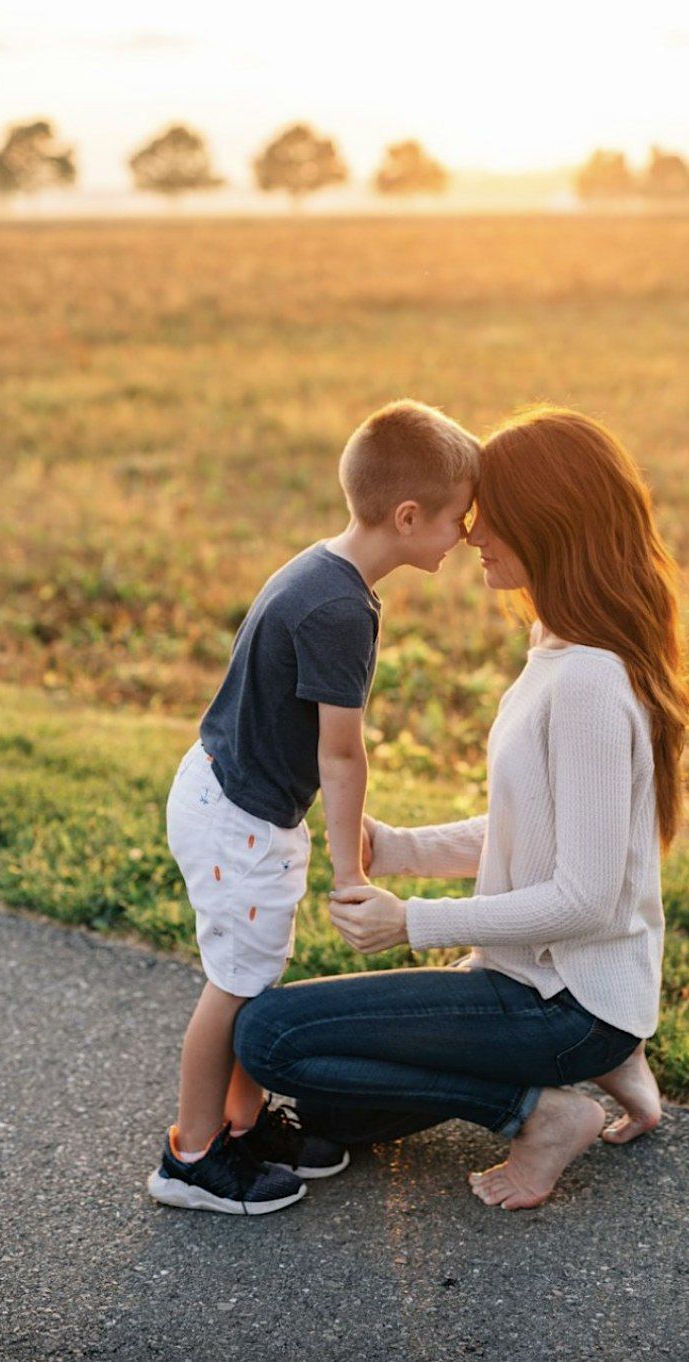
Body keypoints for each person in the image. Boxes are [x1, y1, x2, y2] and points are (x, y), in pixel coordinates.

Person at [233, 405, 689, 1211]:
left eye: (491, 514)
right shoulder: (560, 646)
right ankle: (614, 1061)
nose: (472, 532)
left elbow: (584, 899)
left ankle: (543, 1109)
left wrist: (411, 922)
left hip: (558, 1001)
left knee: (271, 1039)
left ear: (550, 525)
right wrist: (398, 846)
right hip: (560, 989)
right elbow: (533, 834)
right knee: (333, 1115)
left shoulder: (586, 682)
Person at [147, 399, 480, 1213]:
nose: (466, 535)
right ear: (408, 517)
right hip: (241, 817)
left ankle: (244, 1122)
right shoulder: (341, 609)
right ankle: (192, 1158)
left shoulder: (323, 569)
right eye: (457, 520)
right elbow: (341, 753)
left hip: (229, 792)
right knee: (234, 985)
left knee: (253, 978)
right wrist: (347, 869)